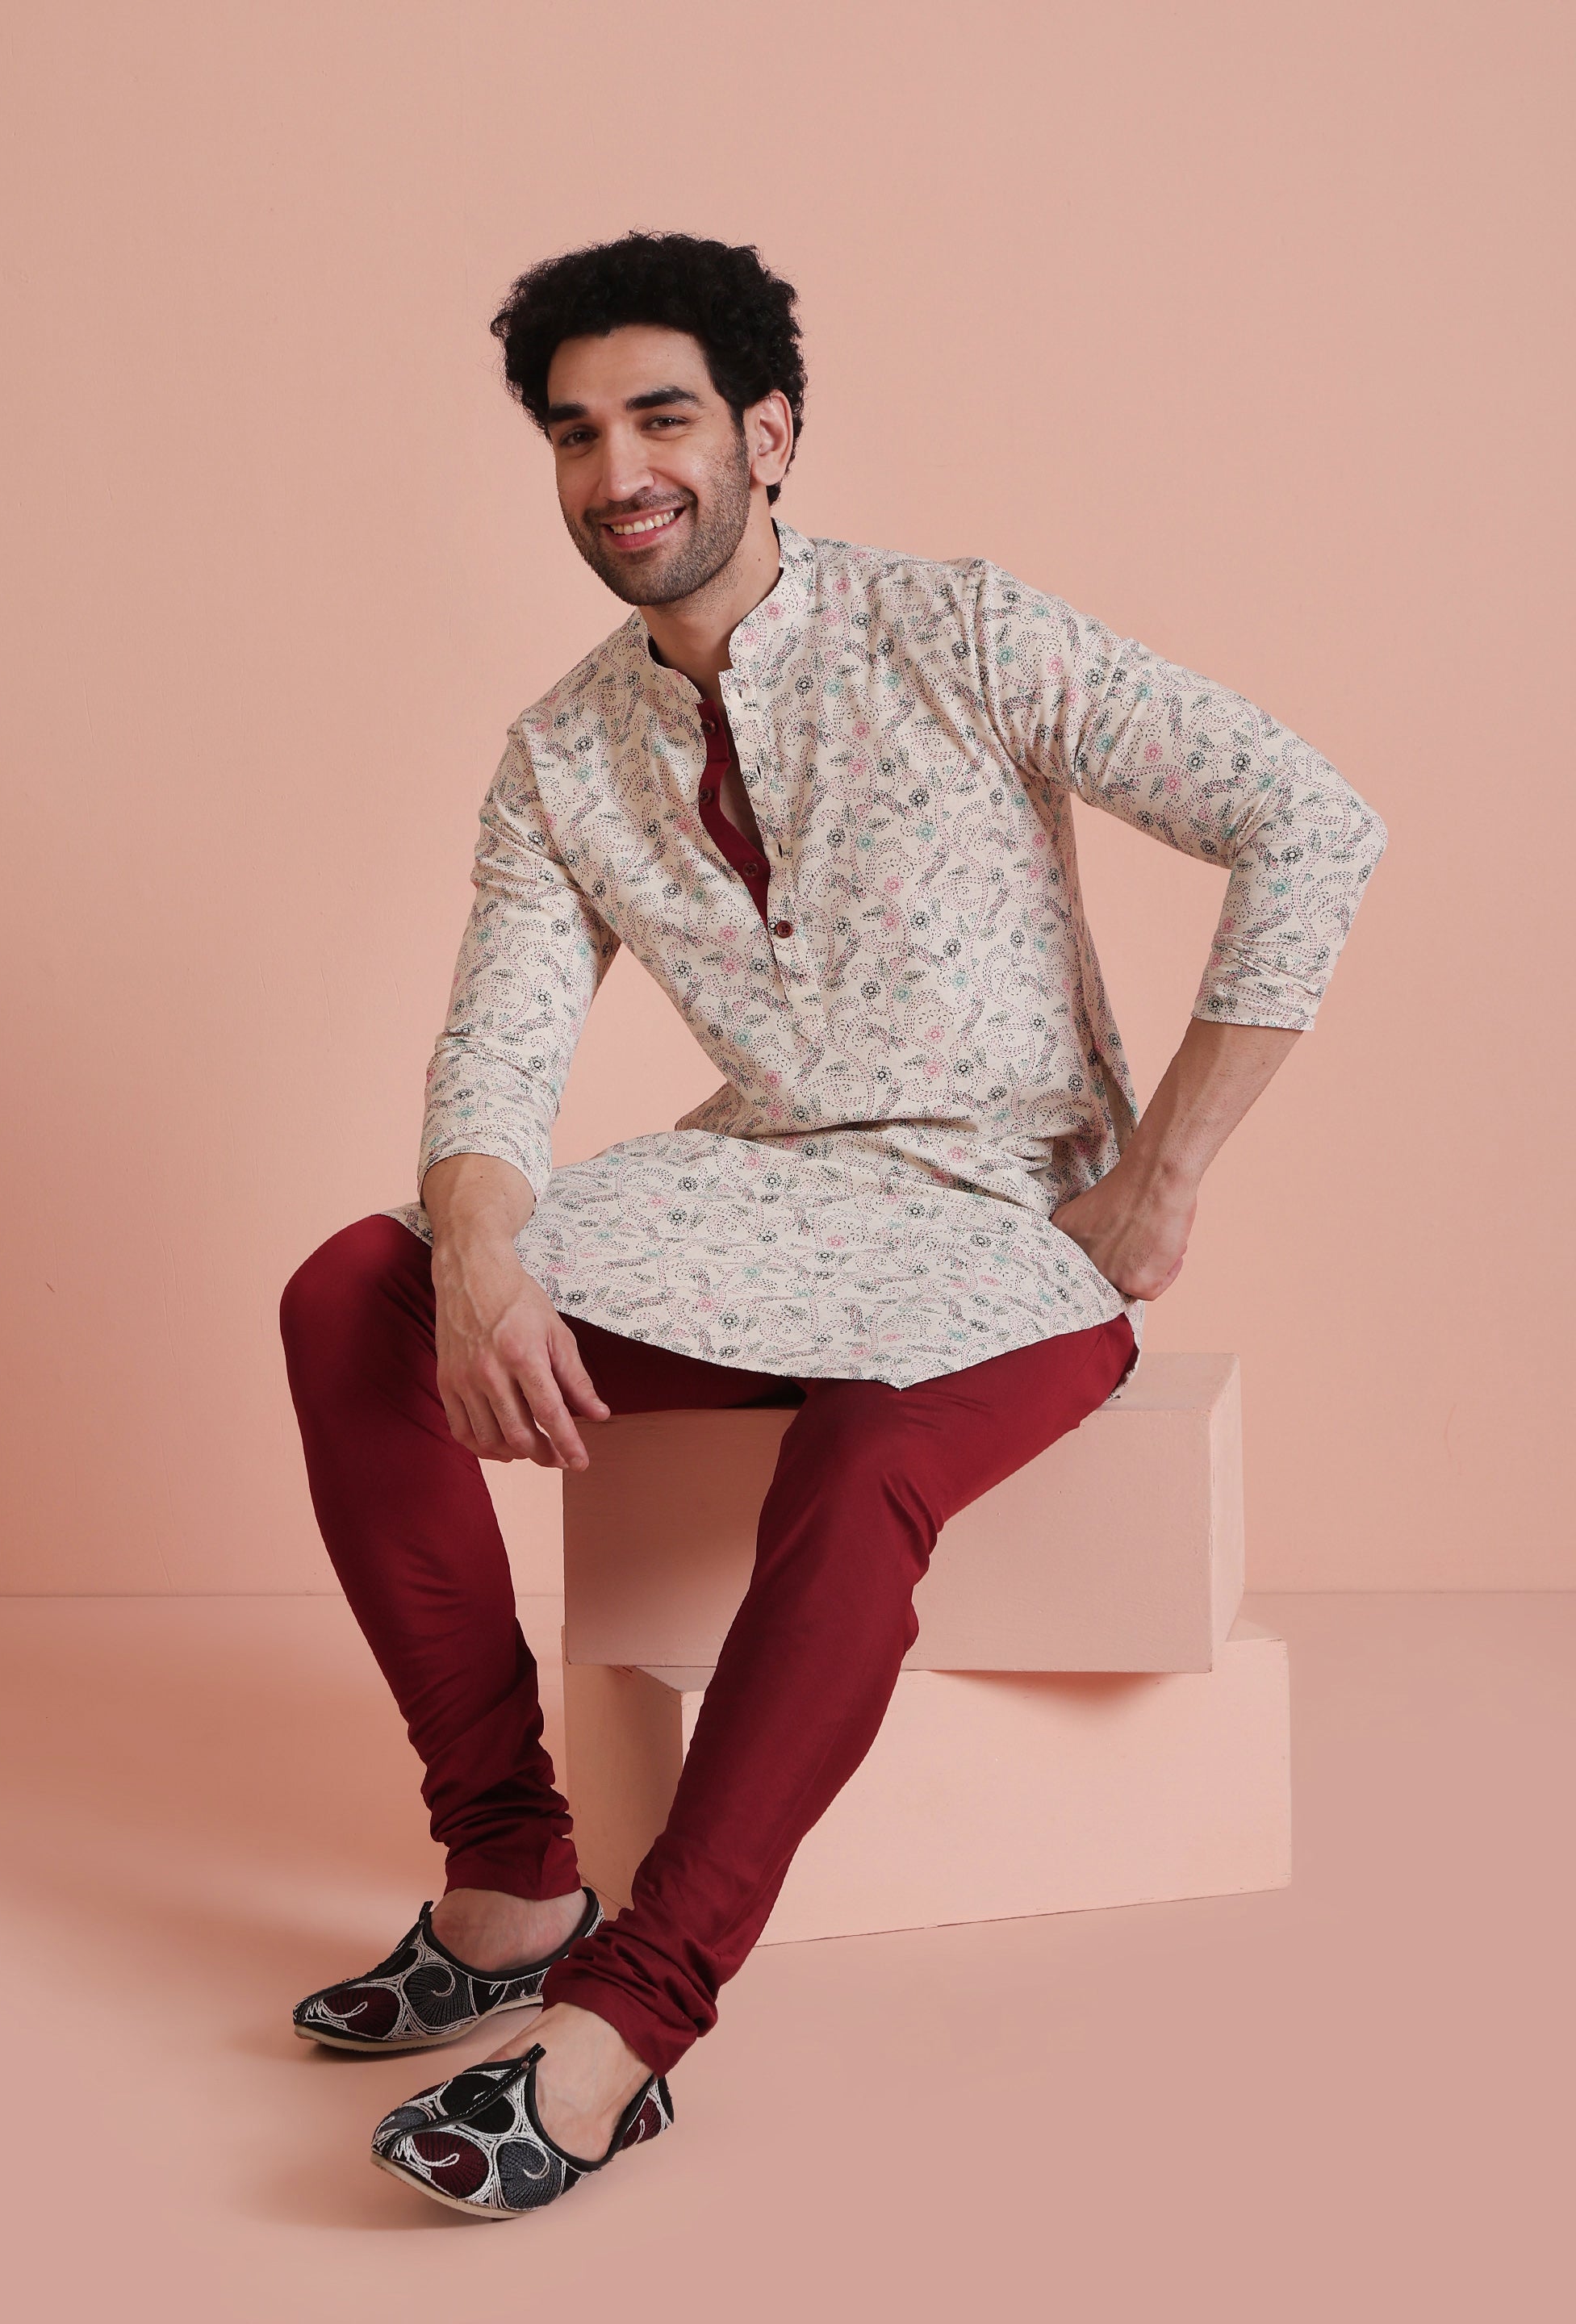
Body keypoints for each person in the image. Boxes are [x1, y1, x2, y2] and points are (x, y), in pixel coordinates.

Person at [278, 230, 1386, 2218]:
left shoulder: (960, 630)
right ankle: (510, 1877)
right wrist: (477, 1246)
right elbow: (499, 1047)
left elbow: (1309, 819)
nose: (621, 470)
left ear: (769, 435)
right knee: (358, 1287)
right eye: (577, 433)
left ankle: (629, 2025)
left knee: (872, 1448)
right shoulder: (560, 753)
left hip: (1007, 1220)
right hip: (756, 1193)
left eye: (664, 418)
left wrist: (1163, 1175)